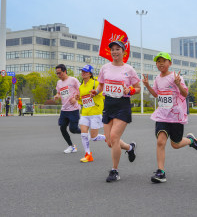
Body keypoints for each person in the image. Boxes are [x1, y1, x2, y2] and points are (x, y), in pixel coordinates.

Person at [142, 52, 197, 183]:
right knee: (160, 141)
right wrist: (147, 86)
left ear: (170, 63)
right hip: (162, 115)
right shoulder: (157, 78)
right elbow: (156, 95)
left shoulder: (175, 76)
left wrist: (178, 84)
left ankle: (191, 140)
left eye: (164, 60)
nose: (161, 63)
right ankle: (160, 172)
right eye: (158, 61)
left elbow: (185, 94)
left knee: (176, 144)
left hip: (175, 116)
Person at [90, 39, 140, 182]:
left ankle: (115, 171)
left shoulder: (129, 69)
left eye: (118, 49)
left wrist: (129, 90)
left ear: (123, 52)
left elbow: (137, 88)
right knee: (110, 142)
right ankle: (130, 148)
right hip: (109, 104)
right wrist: (96, 91)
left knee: (114, 137)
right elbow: (100, 85)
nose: (115, 52)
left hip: (122, 105)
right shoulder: (105, 68)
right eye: (112, 49)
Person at [78, 64, 106, 162]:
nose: (83, 73)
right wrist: (77, 99)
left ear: (90, 73)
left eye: (85, 71)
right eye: (82, 71)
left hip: (95, 112)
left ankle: (107, 137)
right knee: (83, 134)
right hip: (85, 113)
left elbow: (104, 95)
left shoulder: (97, 83)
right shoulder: (81, 86)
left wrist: (96, 92)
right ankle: (88, 154)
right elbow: (82, 101)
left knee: (94, 137)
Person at [54, 64, 81, 154]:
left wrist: (75, 98)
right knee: (62, 128)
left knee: (73, 129)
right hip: (64, 109)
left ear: (65, 71)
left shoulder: (73, 80)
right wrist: (57, 96)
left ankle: (85, 132)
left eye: (60, 73)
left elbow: (81, 91)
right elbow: (58, 92)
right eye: (57, 73)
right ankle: (71, 146)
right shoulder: (59, 83)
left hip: (73, 109)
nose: (58, 75)